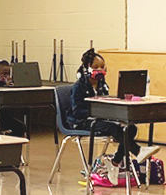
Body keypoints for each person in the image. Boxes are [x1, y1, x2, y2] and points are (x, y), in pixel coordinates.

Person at [66, 48, 159, 185]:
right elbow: (78, 111)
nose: (100, 70)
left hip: (100, 119)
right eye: (95, 67)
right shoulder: (78, 87)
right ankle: (138, 151)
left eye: (102, 67)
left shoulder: (103, 85)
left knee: (130, 128)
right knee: (113, 128)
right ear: (86, 69)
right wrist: (98, 113)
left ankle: (115, 163)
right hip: (83, 121)